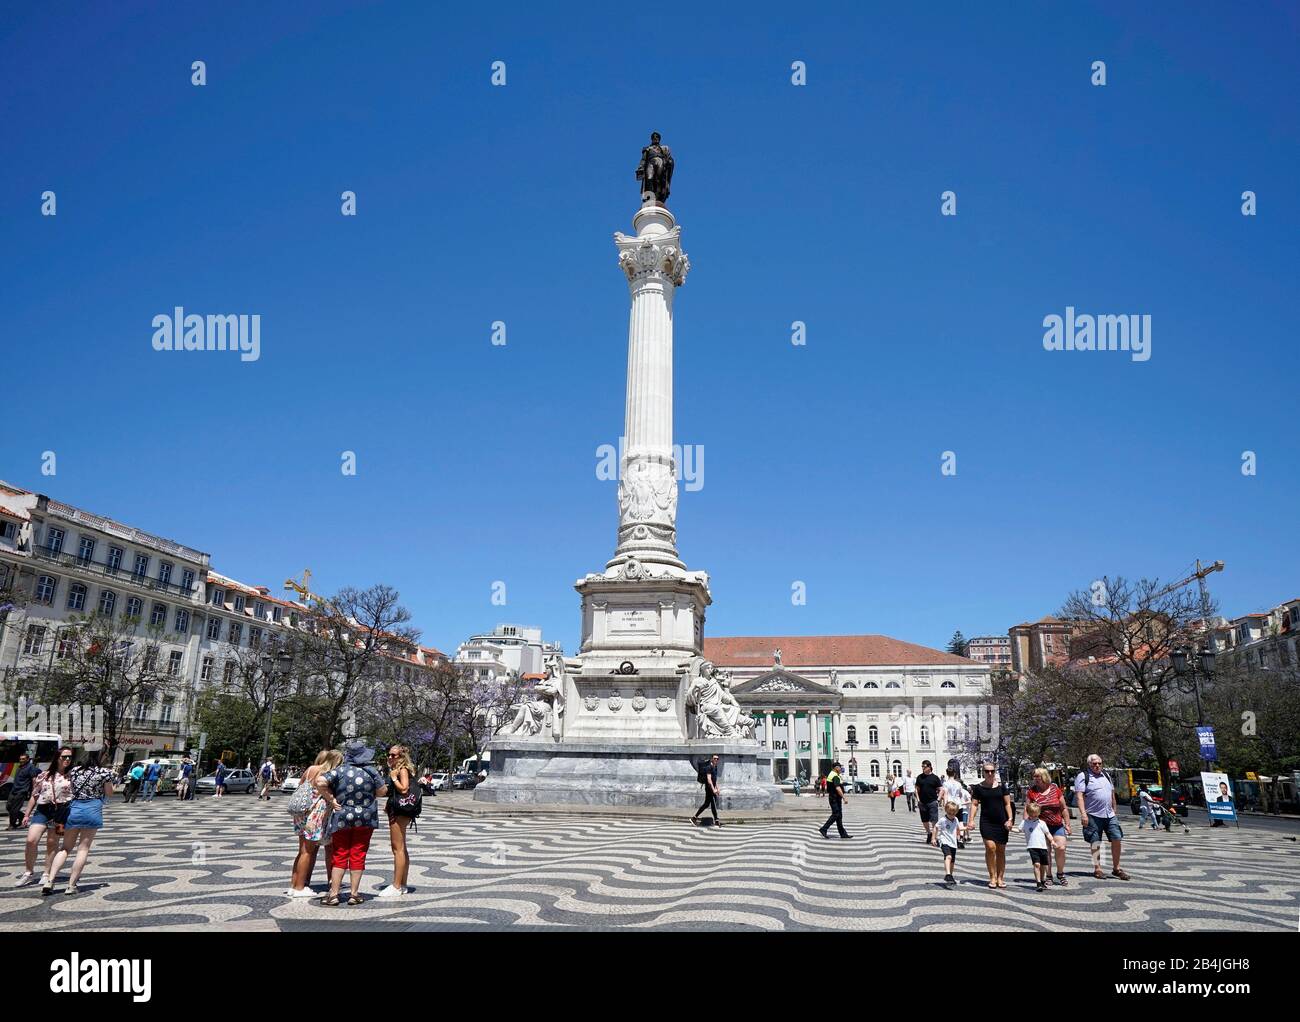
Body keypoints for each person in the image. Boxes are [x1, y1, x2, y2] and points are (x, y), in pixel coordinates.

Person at [314, 740, 388, 905]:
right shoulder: (371, 771)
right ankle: (354, 894)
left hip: (342, 816)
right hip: (366, 819)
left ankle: (334, 894)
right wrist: (370, 795)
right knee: (358, 853)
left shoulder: (340, 770)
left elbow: (320, 782)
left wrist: (332, 799)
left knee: (339, 854)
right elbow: (383, 791)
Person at [45, 751, 114, 895]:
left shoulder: (75, 771)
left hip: (74, 810)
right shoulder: (104, 772)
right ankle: (71, 886)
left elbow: (70, 788)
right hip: (92, 810)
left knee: (65, 848)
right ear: (100, 756)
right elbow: (109, 793)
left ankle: (49, 881)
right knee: (83, 849)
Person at [17, 746, 75, 893]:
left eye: (70, 757)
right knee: (31, 840)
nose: (67, 759)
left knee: (52, 843)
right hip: (42, 810)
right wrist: (26, 814)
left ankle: (47, 873)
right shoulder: (44, 775)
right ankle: (29, 872)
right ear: (57, 758)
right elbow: (34, 796)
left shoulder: (73, 776)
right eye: (64, 757)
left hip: (62, 812)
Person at [287, 749, 342, 898]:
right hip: (314, 815)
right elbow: (324, 790)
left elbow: (301, 785)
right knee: (308, 851)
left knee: (302, 850)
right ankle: (300, 888)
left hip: (301, 813)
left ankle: (294, 884)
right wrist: (332, 799)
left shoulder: (311, 769)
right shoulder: (325, 774)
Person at [1074, 754, 1128, 881]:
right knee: (1096, 842)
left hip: (1109, 814)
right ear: (1089, 765)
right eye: (1094, 764)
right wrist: (1083, 814)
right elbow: (1079, 796)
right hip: (1093, 815)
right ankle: (1098, 868)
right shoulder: (1083, 776)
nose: (1097, 765)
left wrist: (1114, 809)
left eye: (1099, 763)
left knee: (1117, 838)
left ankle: (1116, 868)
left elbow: (1111, 793)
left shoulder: (1106, 775)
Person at [380, 745, 417, 897]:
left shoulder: (401, 770)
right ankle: (402, 884)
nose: (390, 757)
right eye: (389, 754)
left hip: (400, 812)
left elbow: (404, 789)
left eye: (394, 755)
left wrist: (394, 777)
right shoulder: (402, 769)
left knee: (398, 848)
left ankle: (396, 886)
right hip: (401, 811)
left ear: (401, 757)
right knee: (402, 848)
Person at [969, 763, 1013, 889]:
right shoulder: (978, 788)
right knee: (990, 847)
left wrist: (1010, 819)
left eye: (992, 771)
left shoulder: (1001, 787)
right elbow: (974, 805)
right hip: (986, 821)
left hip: (1001, 821)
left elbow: (1007, 804)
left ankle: (1000, 878)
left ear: (995, 772)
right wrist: (971, 820)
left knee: (1001, 850)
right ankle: (992, 877)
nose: (990, 773)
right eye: (987, 771)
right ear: (983, 772)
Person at [1025, 768, 1070, 885]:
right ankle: (1048, 875)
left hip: (1057, 824)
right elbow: (1027, 808)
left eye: (1037, 776)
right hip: (1040, 826)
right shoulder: (1032, 791)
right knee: (1046, 851)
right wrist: (1025, 823)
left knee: (1061, 848)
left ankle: (1060, 873)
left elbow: (1063, 807)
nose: (1035, 779)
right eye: (1034, 776)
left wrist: (1067, 823)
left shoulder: (1055, 789)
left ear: (1044, 777)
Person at [1013, 800, 1053, 891]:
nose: (1034, 816)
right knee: (1037, 864)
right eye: (1032, 814)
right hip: (1032, 847)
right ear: (1028, 813)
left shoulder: (1041, 823)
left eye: (1036, 815)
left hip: (1042, 847)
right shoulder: (1025, 822)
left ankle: (1042, 881)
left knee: (1043, 865)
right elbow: (1019, 830)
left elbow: (1048, 833)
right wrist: (1010, 829)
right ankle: (1038, 883)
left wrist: (1052, 841)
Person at [819, 762, 852, 839]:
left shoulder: (833, 774)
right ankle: (824, 829)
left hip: (834, 798)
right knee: (836, 814)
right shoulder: (834, 776)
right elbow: (837, 788)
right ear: (836, 768)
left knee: (839, 816)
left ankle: (843, 833)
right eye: (839, 767)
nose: (841, 768)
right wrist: (844, 797)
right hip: (834, 798)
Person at [935, 801, 965, 886]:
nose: (951, 815)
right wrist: (934, 838)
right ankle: (948, 874)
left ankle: (950, 876)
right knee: (948, 856)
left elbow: (959, 828)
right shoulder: (943, 820)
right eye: (949, 813)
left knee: (952, 861)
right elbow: (936, 827)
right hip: (944, 841)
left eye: (953, 813)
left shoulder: (956, 819)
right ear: (946, 811)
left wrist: (966, 829)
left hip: (953, 842)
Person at [941, 765, 971, 848]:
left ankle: (951, 838)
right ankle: (960, 839)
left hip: (950, 804)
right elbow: (961, 794)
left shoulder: (946, 783)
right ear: (954, 774)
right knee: (960, 821)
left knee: (950, 821)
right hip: (958, 804)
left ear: (947, 774)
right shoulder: (958, 784)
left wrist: (945, 804)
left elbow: (945, 794)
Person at [914, 760, 944, 845]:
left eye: (924, 766)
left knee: (934, 821)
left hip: (932, 802)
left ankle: (934, 837)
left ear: (929, 767)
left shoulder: (935, 778)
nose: (923, 768)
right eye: (922, 766)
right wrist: (918, 800)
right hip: (922, 802)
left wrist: (938, 800)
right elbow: (917, 789)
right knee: (924, 820)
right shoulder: (920, 777)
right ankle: (929, 833)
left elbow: (941, 789)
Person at [7, 753, 39, 829]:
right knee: (8, 807)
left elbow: (33, 779)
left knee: (14, 809)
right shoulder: (19, 767)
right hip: (14, 790)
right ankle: (21, 816)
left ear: (27, 759)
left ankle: (12, 825)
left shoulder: (31, 767)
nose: (21, 760)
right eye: (20, 759)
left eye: (23, 759)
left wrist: (34, 790)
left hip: (22, 790)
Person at [691, 754, 722, 827]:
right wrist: (713, 789)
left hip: (712, 788)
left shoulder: (715, 767)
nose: (716, 760)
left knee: (706, 804)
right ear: (711, 759)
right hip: (709, 788)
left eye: (717, 759)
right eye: (715, 758)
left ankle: (694, 818)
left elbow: (715, 780)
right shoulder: (709, 767)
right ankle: (716, 820)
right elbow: (709, 779)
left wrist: (717, 788)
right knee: (713, 803)